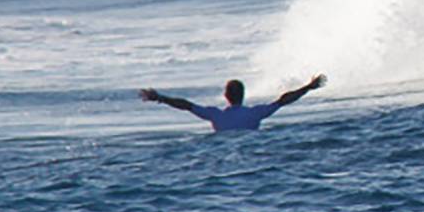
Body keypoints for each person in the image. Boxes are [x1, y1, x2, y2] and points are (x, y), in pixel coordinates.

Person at [139, 75, 325, 131]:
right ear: (243, 95)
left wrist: (159, 97)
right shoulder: (255, 113)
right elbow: (283, 101)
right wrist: (308, 87)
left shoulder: (215, 115)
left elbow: (186, 105)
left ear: (226, 95)